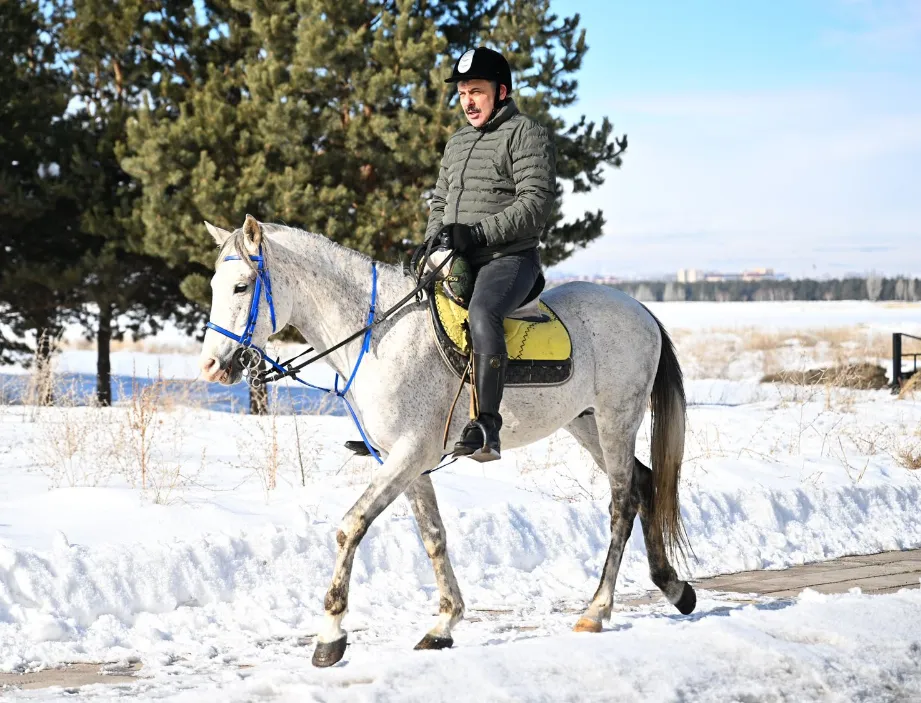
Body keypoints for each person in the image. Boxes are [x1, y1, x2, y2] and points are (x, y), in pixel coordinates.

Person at [426, 46, 557, 461]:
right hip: (459, 257)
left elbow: (534, 204)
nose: (467, 101)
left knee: (482, 312)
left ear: (501, 92)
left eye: (476, 91)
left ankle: (487, 426)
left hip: (509, 260)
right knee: (412, 304)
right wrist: (433, 244)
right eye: (462, 92)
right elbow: (439, 202)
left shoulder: (526, 133)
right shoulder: (457, 143)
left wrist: (477, 235)